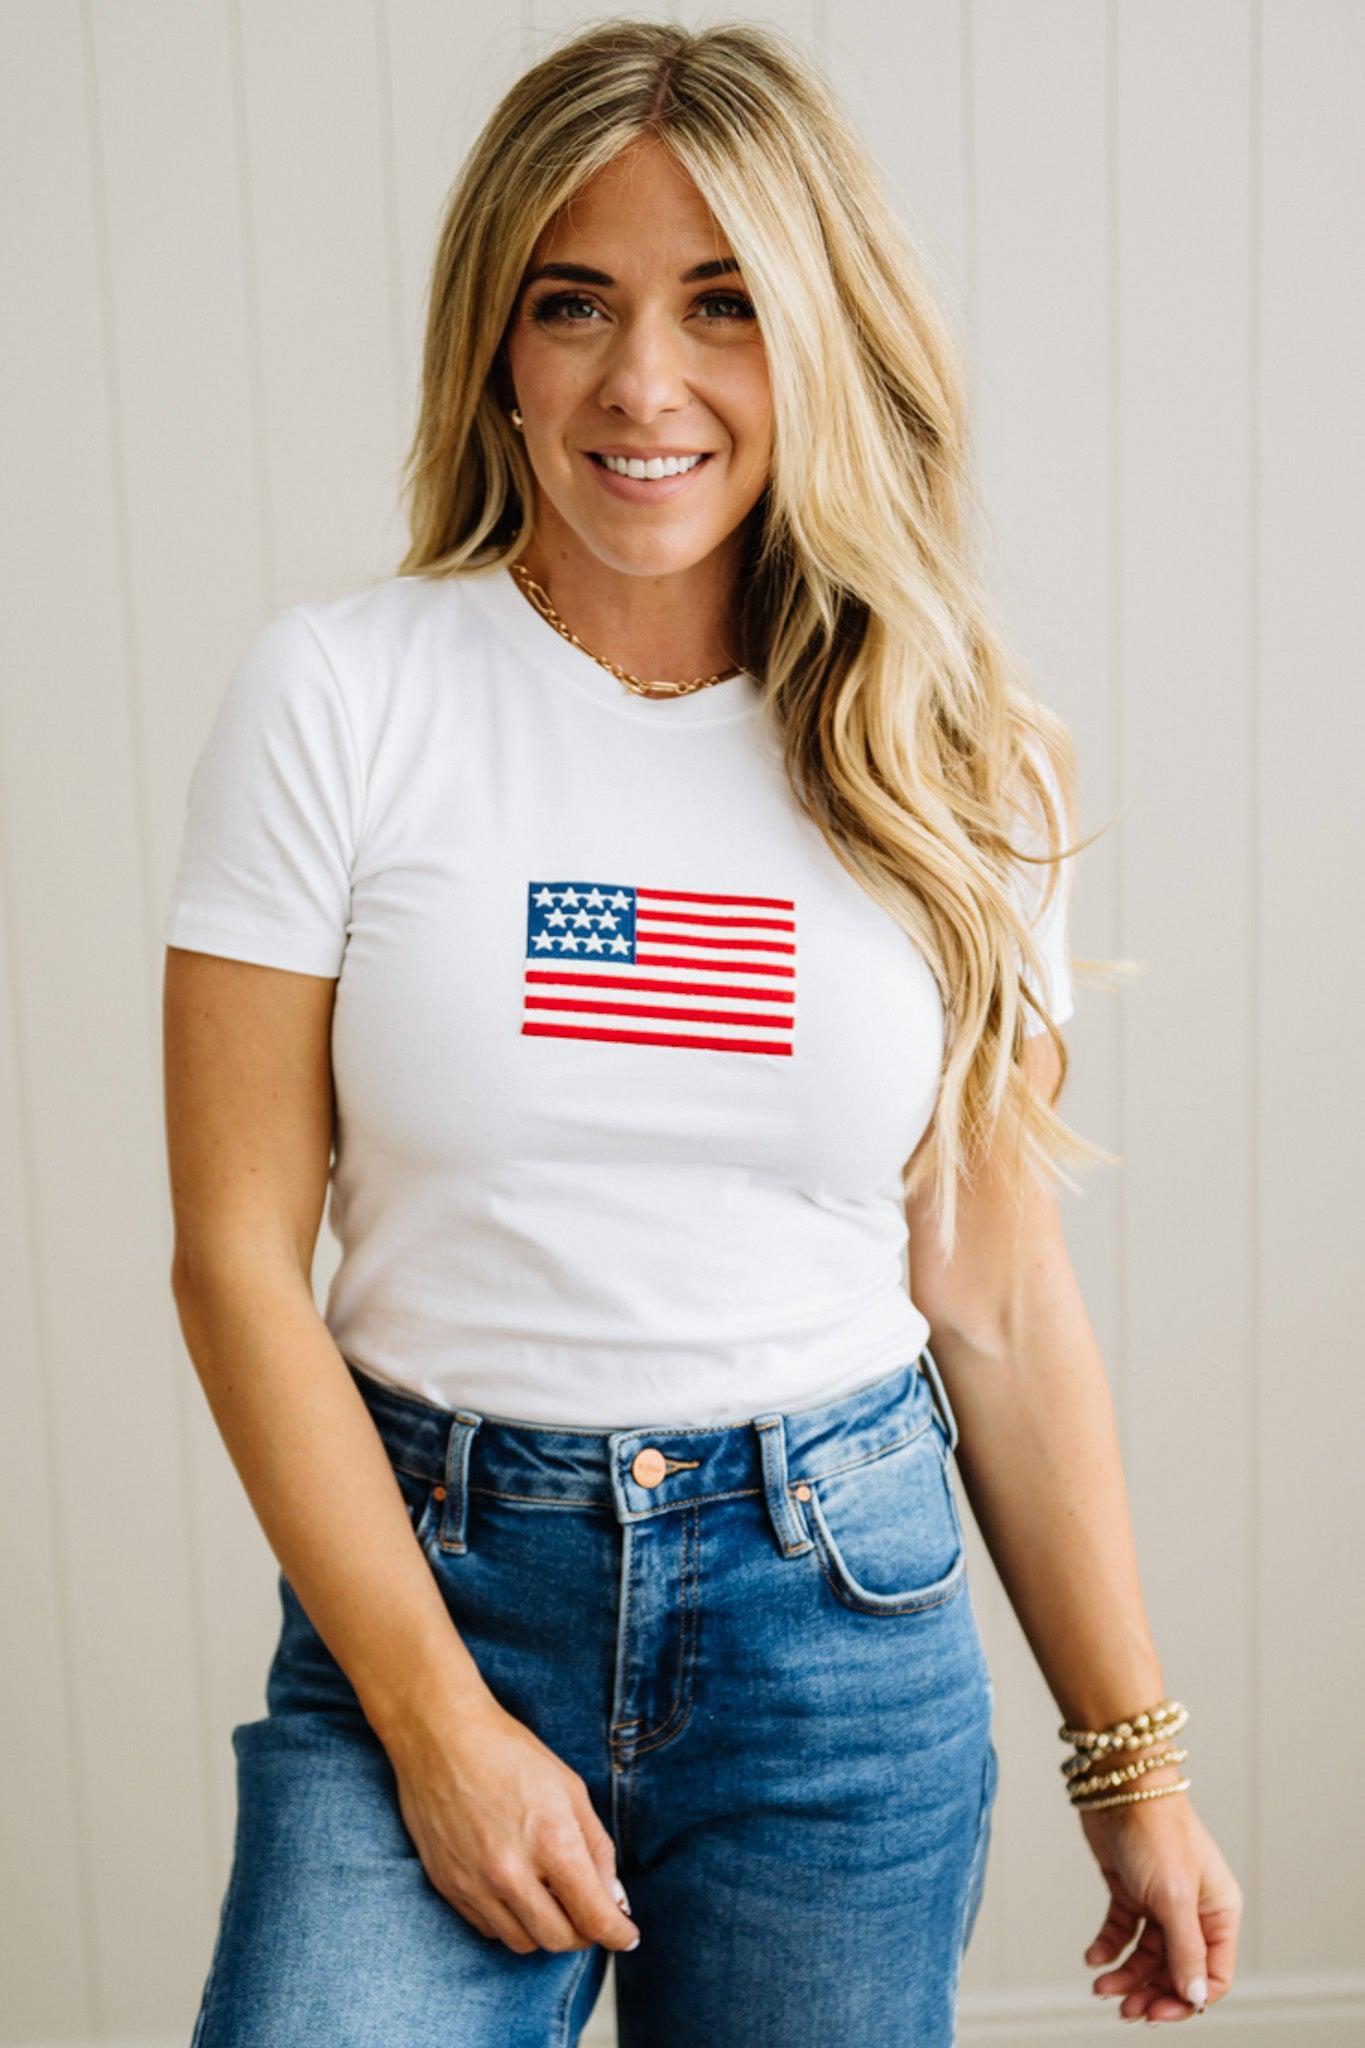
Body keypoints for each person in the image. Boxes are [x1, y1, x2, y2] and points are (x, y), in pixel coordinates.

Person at [162, 19, 1242, 2046]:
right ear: (493, 338)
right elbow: (235, 1256)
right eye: (572, 303)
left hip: (833, 1629)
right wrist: (433, 1720)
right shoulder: (340, 696)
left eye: (723, 306)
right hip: (437, 1587)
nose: (640, 385)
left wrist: (1135, 1765)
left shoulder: (952, 757)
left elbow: (993, 1295)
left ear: (820, 336)